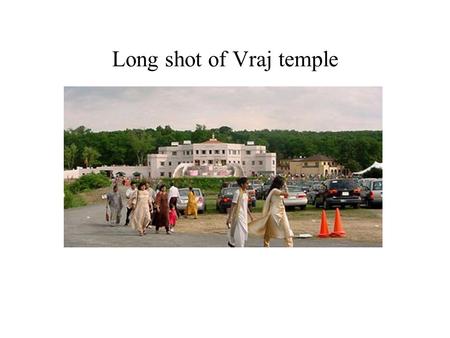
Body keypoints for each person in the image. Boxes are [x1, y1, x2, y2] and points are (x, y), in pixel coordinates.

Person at [248, 175, 294, 247]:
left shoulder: (277, 191)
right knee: (269, 231)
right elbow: (287, 194)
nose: (283, 185)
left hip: (281, 212)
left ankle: (289, 246)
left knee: (287, 229)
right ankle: (266, 246)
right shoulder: (275, 190)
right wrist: (286, 186)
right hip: (274, 213)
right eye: (282, 183)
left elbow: (286, 196)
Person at [226, 177, 254, 247]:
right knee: (241, 234)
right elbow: (233, 205)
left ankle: (232, 242)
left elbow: (245, 205)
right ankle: (239, 245)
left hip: (244, 217)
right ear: (242, 184)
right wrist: (229, 218)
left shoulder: (245, 193)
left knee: (244, 233)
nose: (248, 185)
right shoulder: (237, 192)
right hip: (239, 216)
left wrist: (250, 215)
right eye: (246, 183)